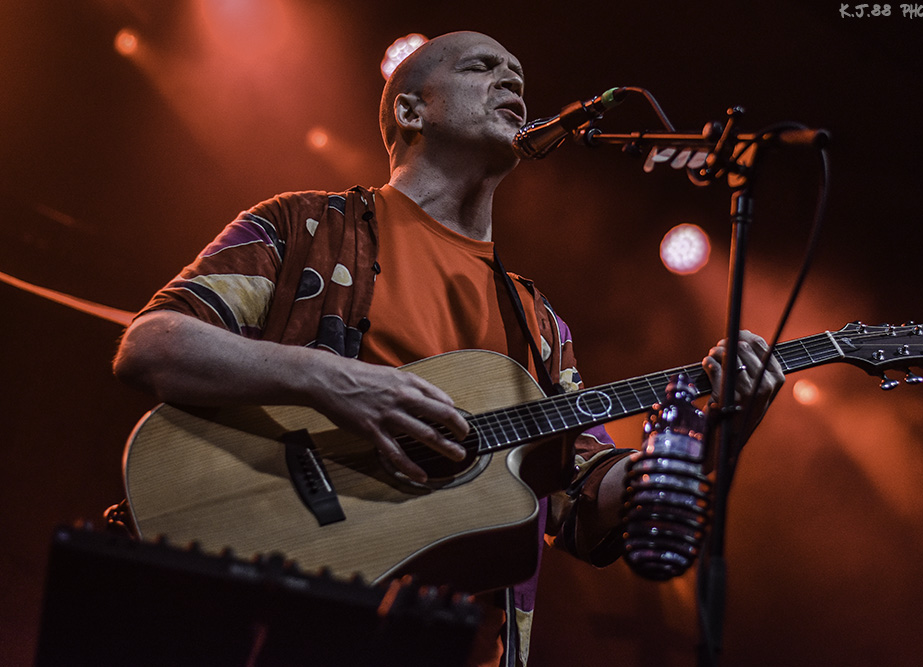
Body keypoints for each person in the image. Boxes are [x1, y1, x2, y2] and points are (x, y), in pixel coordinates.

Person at [113, 30, 784, 667]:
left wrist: (714, 433)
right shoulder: (306, 226)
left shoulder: (539, 325)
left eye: (517, 75)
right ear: (410, 109)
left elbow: (585, 507)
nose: (511, 80)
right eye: (481, 67)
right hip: (280, 625)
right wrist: (331, 379)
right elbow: (151, 344)